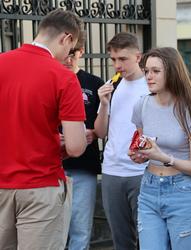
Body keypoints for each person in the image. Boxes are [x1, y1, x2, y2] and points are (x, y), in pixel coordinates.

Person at [0, 9, 87, 250]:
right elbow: (76, 146)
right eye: (70, 51)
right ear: (66, 38)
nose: (68, 58)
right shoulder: (64, 77)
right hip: (41, 185)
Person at [129, 47, 191, 250]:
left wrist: (163, 156)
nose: (148, 76)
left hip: (182, 191)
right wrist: (139, 155)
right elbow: (143, 145)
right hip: (149, 189)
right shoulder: (142, 105)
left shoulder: (190, 109)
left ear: (172, 72)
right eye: (146, 71)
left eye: (155, 71)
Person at [94, 32, 149, 250]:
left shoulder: (150, 85)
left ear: (138, 57)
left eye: (123, 59)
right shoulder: (112, 85)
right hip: (111, 171)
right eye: (114, 60)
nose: (118, 65)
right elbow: (100, 132)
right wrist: (104, 104)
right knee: (121, 240)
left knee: (147, 237)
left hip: (142, 171)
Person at [62, 32, 104, 250]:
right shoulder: (50, 78)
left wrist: (94, 133)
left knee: (80, 228)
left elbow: (106, 125)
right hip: (53, 166)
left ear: (81, 52)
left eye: (74, 54)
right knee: (53, 229)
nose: (68, 59)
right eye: (66, 53)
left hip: (83, 165)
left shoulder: (94, 83)